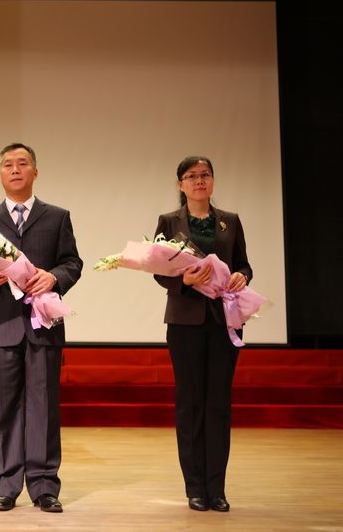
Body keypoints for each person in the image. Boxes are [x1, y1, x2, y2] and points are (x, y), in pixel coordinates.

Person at [0, 143, 82, 513]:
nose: (15, 169)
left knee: (44, 407)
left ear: (35, 171)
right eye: (7, 164)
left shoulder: (57, 217)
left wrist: (54, 277)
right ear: (0, 173)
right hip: (3, 325)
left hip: (44, 324)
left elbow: (72, 262)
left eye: (22, 163)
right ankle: (5, 485)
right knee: (4, 408)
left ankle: (45, 486)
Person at [154, 156, 252, 513]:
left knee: (218, 405)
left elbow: (244, 264)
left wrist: (242, 276)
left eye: (205, 175)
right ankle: (195, 488)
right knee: (191, 404)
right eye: (192, 176)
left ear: (212, 181)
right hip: (185, 322)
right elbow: (159, 270)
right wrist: (184, 280)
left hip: (226, 320)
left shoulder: (230, 221)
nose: (199, 181)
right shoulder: (169, 221)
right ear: (180, 184)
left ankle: (217, 489)